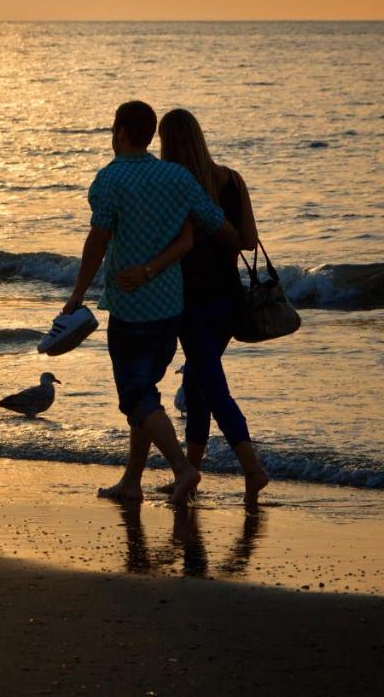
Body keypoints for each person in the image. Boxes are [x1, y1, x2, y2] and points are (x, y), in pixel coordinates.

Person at [64, 101, 242, 504]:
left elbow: (98, 240)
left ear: (123, 132)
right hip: (170, 310)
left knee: (136, 396)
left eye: (113, 128)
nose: (112, 134)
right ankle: (131, 482)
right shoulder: (176, 176)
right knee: (145, 395)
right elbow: (217, 226)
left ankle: (182, 469)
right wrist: (240, 242)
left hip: (131, 310)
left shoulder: (110, 179)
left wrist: (77, 293)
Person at [118, 108, 270, 505]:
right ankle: (191, 468)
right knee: (197, 383)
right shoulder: (231, 180)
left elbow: (167, 243)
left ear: (166, 143)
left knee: (213, 388)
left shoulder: (173, 186)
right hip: (228, 299)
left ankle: (253, 470)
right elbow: (248, 241)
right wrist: (224, 234)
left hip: (188, 303)